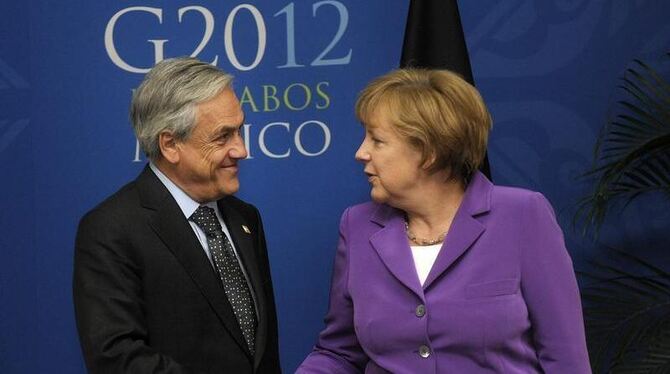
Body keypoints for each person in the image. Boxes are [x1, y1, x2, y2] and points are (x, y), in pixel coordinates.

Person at [298, 69, 591, 373]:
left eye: (377, 140)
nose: (361, 153)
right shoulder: (357, 225)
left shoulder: (523, 215)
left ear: (429, 153)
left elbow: (566, 358)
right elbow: (340, 352)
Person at [73, 57, 281, 373]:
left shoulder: (245, 218)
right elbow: (117, 359)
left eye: (239, 131)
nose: (241, 149)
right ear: (170, 144)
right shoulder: (111, 230)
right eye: (223, 136)